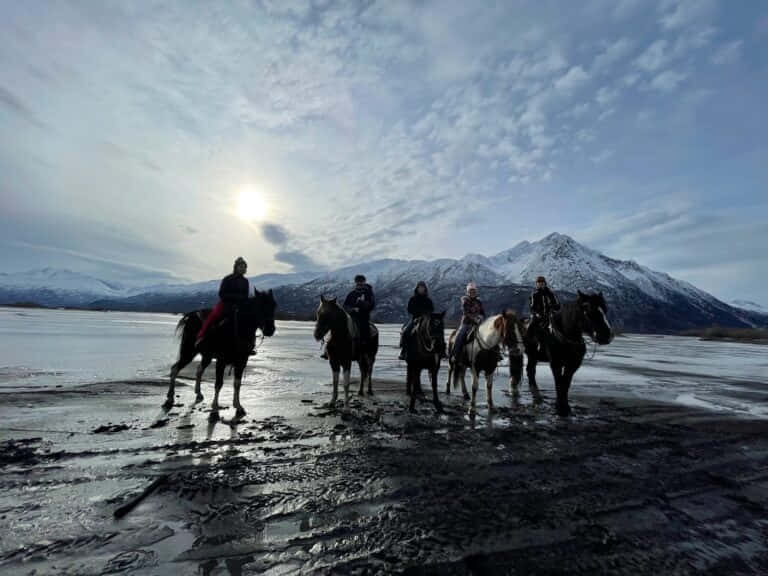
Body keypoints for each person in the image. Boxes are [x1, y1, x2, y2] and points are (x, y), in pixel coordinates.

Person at [196, 257, 250, 347]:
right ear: (236, 267)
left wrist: (243, 300)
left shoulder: (245, 281)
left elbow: (246, 295)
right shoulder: (228, 279)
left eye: (244, 267)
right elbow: (222, 294)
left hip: (240, 306)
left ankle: (246, 344)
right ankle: (202, 336)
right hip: (226, 304)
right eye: (241, 267)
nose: (243, 269)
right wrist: (235, 298)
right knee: (213, 317)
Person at [398, 281, 435, 360]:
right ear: (417, 289)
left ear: (425, 289)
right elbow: (409, 309)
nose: (421, 289)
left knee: (436, 332)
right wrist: (418, 312)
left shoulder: (428, 300)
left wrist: (426, 313)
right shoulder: (413, 299)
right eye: (420, 288)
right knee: (406, 332)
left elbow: (431, 309)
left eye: (423, 288)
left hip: (426, 320)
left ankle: (438, 351)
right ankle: (404, 351)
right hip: (415, 319)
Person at [451, 282, 485, 365]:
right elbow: (465, 312)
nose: (472, 293)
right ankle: (455, 354)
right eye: (470, 291)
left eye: (473, 291)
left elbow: (483, 312)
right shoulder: (465, 300)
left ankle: (495, 354)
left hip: (478, 324)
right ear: (468, 292)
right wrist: (474, 318)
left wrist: (481, 317)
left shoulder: (479, 302)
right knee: (460, 335)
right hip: (466, 323)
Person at [528, 275, 561, 349]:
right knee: (531, 326)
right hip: (539, 315)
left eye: (542, 283)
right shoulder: (534, 294)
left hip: (550, 314)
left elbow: (557, 304)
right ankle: (530, 343)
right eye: (539, 283)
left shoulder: (550, 293)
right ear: (536, 284)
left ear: (545, 284)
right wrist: (537, 313)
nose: (540, 285)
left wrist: (554, 307)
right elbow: (532, 307)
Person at [344, 274, 376, 343]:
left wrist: (362, 305)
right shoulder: (351, 294)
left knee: (364, 327)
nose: (359, 283)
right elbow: (345, 305)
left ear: (364, 282)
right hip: (351, 316)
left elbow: (372, 304)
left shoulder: (368, 293)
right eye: (358, 282)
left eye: (361, 282)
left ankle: (364, 344)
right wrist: (352, 309)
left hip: (363, 316)